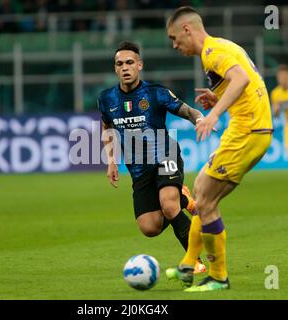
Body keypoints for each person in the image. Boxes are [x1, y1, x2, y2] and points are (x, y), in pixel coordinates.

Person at [166, 6, 273, 292]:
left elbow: (242, 78)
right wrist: (218, 98)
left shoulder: (212, 53)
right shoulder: (220, 47)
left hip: (247, 131)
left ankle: (218, 276)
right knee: (202, 194)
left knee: (205, 199)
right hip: (251, 129)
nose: (175, 45)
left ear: (188, 29)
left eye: (175, 38)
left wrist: (213, 116)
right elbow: (242, 82)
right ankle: (189, 265)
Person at [98, 41, 207, 273]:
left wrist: (200, 120)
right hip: (137, 167)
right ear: (115, 69)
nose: (125, 67)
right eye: (120, 64)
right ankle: (184, 199)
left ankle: (194, 261)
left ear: (139, 65)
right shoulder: (106, 99)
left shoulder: (156, 93)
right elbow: (106, 127)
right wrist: (111, 161)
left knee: (169, 206)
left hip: (164, 154)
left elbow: (188, 110)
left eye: (129, 62)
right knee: (150, 228)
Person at [270, 64, 288, 149]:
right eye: (280, 76)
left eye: (285, 76)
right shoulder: (275, 93)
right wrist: (276, 109)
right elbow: (276, 115)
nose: (283, 79)